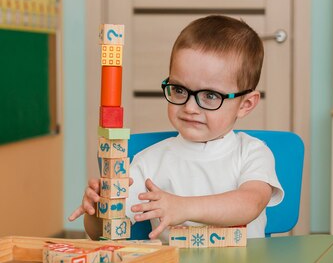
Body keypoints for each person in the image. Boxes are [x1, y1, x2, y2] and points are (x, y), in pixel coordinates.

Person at [70, 15, 283, 241]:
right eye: (180, 90)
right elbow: (101, 233)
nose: (190, 107)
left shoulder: (252, 152)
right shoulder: (149, 162)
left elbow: (251, 203)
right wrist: (98, 209)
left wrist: (183, 208)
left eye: (210, 96)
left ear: (246, 104)